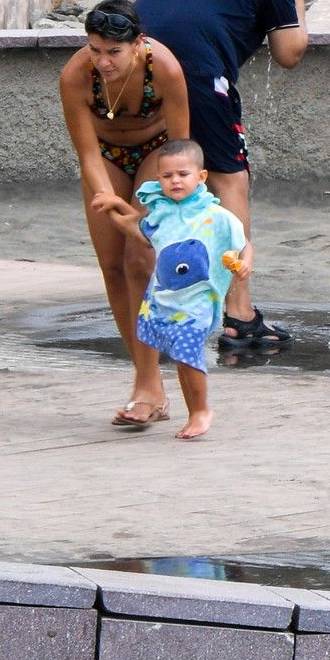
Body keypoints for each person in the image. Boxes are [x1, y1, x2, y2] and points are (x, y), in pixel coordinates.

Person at [134, 0, 308, 350]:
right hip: (196, 61)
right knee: (230, 179)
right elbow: (290, 51)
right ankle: (240, 314)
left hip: (138, 52)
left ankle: (149, 300)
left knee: (162, 175)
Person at [59, 0, 191, 427]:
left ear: (138, 43)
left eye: (113, 52)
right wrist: (110, 204)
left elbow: (180, 152)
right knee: (113, 265)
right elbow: (87, 154)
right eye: (95, 49)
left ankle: (150, 384)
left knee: (140, 260)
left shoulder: (165, 69)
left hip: (158, 154)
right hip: (106, 158)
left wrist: (173, 204)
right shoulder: (76, 76)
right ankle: (145, 380)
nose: (103, 62)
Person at [92, 139, 249, 440]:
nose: (175, 180)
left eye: (183, 174)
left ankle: (202, 410)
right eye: (167, 176)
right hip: (168, 300)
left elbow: (243, 243)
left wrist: (244, 266)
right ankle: (193, 413)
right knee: (181, 357)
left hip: (199, 300)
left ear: (201, 177)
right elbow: (138, 229)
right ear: (159, 180)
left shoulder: (215, 215)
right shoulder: (162, 213)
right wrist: (114, 208)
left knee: (188, 352)